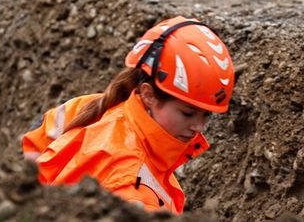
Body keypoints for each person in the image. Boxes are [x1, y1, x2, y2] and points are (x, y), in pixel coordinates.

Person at [22, 16, 235, 214]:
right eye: (187, 113)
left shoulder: (89, 107)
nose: (198, 127)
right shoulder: (134, 188)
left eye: (206, 115)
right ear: (149, 95)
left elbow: (34, 146)